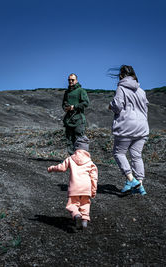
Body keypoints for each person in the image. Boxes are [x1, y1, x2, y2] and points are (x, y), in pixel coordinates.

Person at [108, 65, 149, 195]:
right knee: (136, 156)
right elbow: (145, 109)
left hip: (127, 126)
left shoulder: (121, 88)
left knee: (119, 153)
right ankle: (140, 186)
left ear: (121, 75)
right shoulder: (141, 91)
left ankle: (131, 179)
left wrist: (110, 106)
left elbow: (117, 106)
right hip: (142, 126)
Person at [47, 136, 98, 229]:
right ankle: (84, 221)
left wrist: (51, 168)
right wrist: (93, 191)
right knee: (85, 203)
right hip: (86, 188)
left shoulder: (70, 159)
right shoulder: (90, 163)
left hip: (74, 187)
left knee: (72, 204)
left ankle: (76, 214)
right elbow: (94, 178)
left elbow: (61, 168)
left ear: (76, 148)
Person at [62, 73, 90, 155]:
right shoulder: (66, 92)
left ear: (76, 80)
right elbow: (63, 104)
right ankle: (72, 158)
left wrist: (74, 107)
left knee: (80, 140)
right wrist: (66, 107)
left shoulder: (81, 91)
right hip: (69, 120)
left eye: (72, 80)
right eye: (69, 80)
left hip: (79, 120)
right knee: (69, 140)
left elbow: (86, 103)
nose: (70, 81)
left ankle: (81, 158)